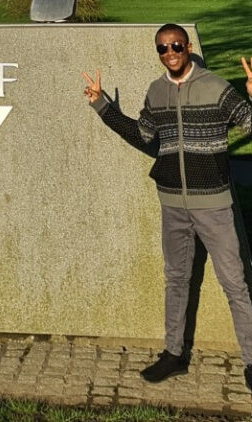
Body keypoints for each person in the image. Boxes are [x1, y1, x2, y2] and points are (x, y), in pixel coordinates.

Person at [82, 23, 252, 387]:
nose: (170, 51)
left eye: (176, 44)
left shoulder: (217, 88)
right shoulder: (156, 91)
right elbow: (143, 135)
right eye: (163, 47)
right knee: (176, 280)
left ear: (187, 46)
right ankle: (174, 354)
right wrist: (101, 104)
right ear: (158, 51)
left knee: (235, 285)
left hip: (214, 205)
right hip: (172, 204)